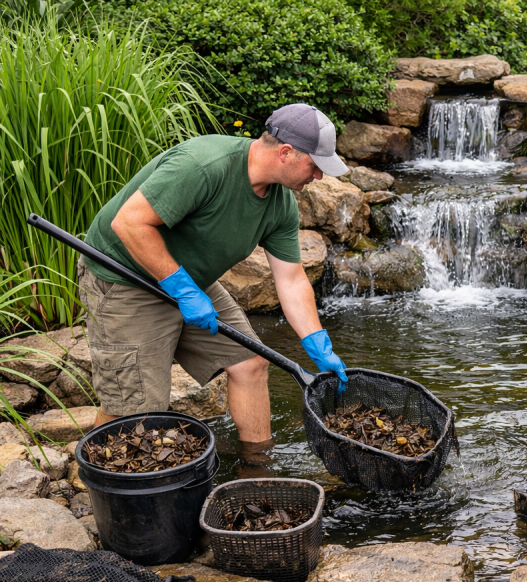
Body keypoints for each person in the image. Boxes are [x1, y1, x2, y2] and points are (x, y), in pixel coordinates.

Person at [79, 103, 349, 445]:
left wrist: (316, 341)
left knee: (250, 364)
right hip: (125, 276)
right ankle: (91, 470)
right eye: (315, 166)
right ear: (286, 153)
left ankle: (256, 466)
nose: (319, 176)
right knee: (136, 411)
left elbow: (292, 280)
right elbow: (129, 223)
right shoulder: (203, 165)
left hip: (188, 279)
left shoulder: (281, 204)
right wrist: (183, 290)